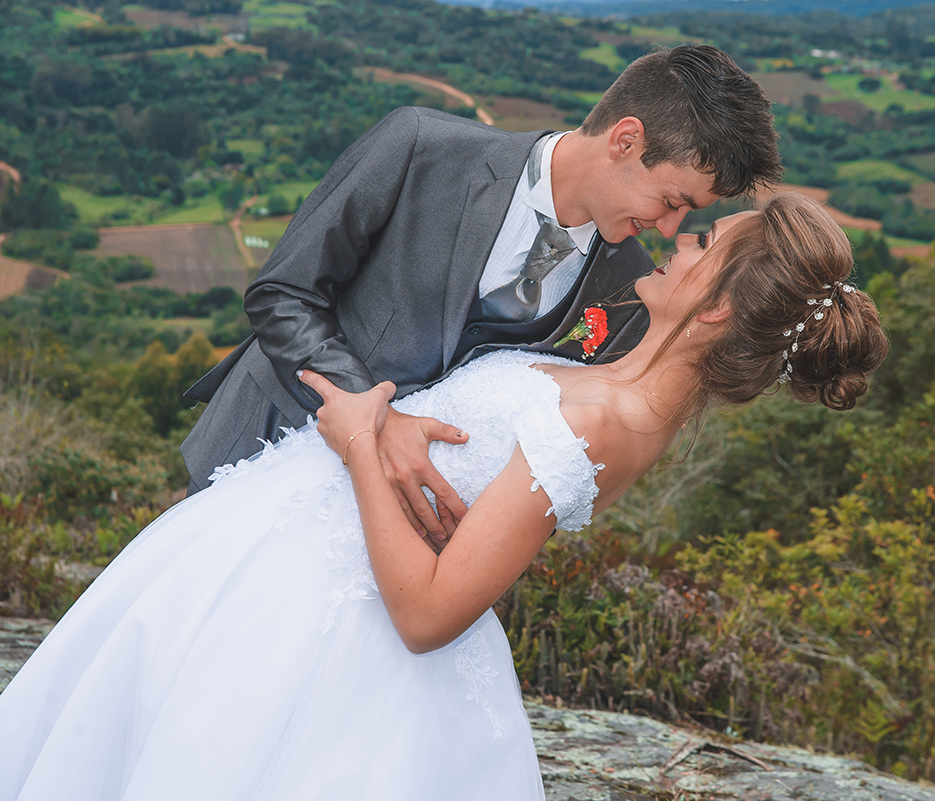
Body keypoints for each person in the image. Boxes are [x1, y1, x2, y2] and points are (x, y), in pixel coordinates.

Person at [0, 194, 888, 799]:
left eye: (707, 244)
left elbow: (429, 613)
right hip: (261, 563)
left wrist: (357, 443)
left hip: (322, 629)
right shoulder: (613, 377)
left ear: (721, 309)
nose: (683, 237)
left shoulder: (612, 421)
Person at [180, 45, 783, 548]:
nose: (672, 229)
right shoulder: (420, 147)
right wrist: (376, 418)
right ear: (626, 140)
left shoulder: (633, 292)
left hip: (382, 542)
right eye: (673, 200)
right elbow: (283, 293)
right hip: (258, 452)